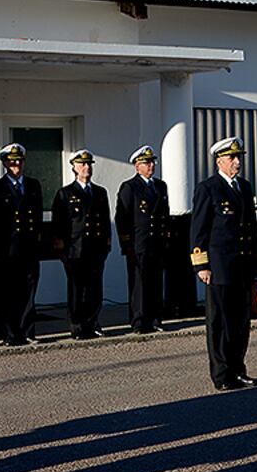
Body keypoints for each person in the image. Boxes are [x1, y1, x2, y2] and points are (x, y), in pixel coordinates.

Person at [191, 137, 257, 391]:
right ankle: (221, 374)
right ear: (219, 160)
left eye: (238, 157)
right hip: (219, 266)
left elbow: (251, 228)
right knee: (220, 321)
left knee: (240, 321)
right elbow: (199, 230)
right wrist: (201, 265)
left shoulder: (243, 187)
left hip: (242, 265)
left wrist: (256, 261)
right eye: (232, 157)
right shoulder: (208, 188)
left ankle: (238, 368)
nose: (237, 162)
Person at [51, 149, 112, 340]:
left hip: (95, 249)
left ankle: (93, 323)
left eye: (89, 164)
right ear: (74, 168)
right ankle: (77, 326)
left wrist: (106, 245)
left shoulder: (100, 192)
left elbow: (105, 221)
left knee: (95, 289)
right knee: (77, 290)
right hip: (75, 249)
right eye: (82, 165)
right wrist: (62, 250)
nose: (87, 168)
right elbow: (59, 224)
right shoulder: (65, 193)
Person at [0, 143, 43, 346]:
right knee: (8, 293)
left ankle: (28, 331)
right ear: (5, 164)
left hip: (29, 247)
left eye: (19, 161)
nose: (17, 165)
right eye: (12, 162)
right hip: (7, 249)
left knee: (28, 291)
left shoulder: (33, 185)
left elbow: (37, 217)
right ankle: (9, 334)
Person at [115, 145, 169, 335]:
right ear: (137, 166)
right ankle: (139, 321)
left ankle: (155, 318)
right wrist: (127, 244)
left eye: (152, 162)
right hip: (139, 244)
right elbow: (122, 218)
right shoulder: (130, 187)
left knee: (155, 282)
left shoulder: (160, 186)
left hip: (156, 243)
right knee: (139, 284)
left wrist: (165, 240)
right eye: (146, 162)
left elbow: (164, 215)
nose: (151, 165)